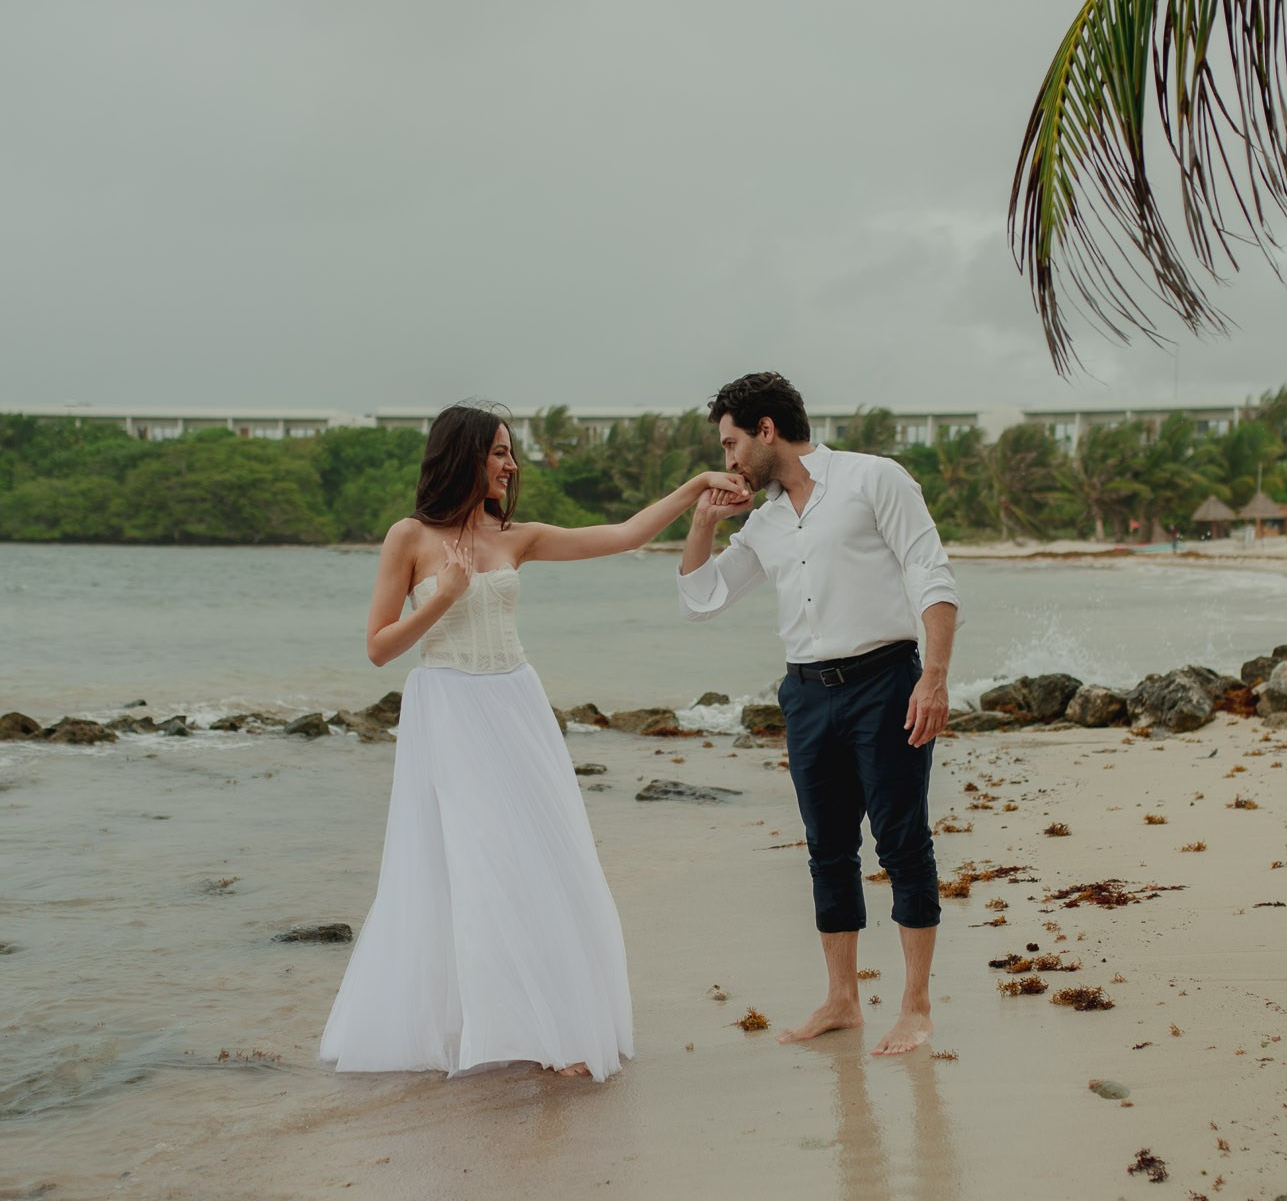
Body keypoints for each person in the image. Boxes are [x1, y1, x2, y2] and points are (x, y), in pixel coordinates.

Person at [319, 402, 748, 1082]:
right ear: (463, 455)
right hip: (450, 710)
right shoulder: (409, 537)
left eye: (509, 452)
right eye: (499, 452)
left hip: (517, 705)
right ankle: (520, 1029)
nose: (511, 465)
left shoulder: (515, 536)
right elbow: (378, 648)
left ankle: (553, 1025)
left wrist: (696, 486)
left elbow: (623, 535)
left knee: (547, 859)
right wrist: (443, 596)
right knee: (483, 866)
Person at [676, 372, 962, 1057]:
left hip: (885, 683)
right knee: (827, 849)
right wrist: (704, 519)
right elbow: (701, 599)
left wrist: (934, 677)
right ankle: (841, 1000)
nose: (728, 460)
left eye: (731, 444)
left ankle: (915, 1007)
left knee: (902, 843)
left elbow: (931, 573)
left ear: (766, 429)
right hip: (805, 694)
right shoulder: (764, 521)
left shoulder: (873, 479)